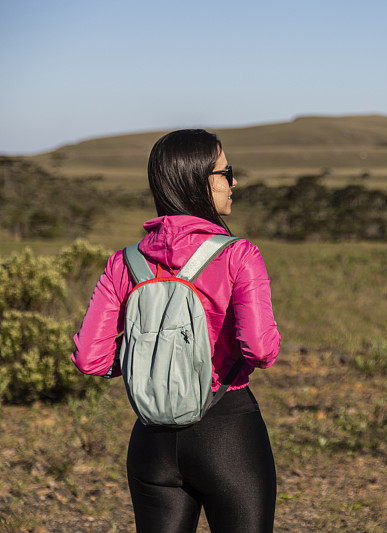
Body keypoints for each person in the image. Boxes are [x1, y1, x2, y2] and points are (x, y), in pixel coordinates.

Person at [70, 129, 281, 532]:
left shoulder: (123, 262)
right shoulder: (239, 255)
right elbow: (260, 349)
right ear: (198, 180)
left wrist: (151, 356)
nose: (234, 182)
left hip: (152, 440)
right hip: (227, 430)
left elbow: (89, 359)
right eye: (226, 172)